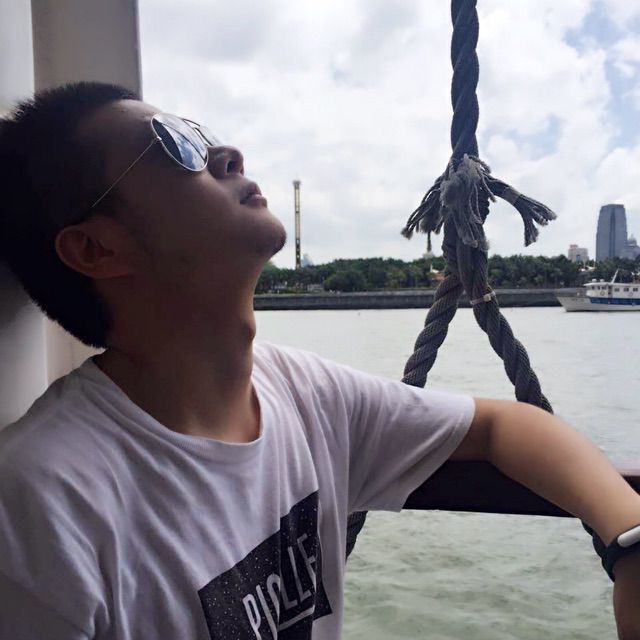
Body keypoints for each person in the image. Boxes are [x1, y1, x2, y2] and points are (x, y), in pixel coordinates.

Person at [0, 82, 638, 640]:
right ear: (96, 249)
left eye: (203, 134)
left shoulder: (302, 392)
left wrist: (630, 540)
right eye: (175, 145)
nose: (228, 154)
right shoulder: (41, 503)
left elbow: (500, 426)